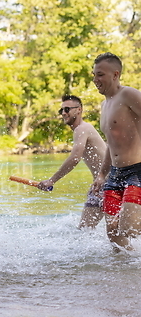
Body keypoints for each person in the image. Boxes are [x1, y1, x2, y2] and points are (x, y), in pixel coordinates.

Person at [91, 52, 141, 251]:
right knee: (115, 239)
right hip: (115, 175)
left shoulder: (128, 95)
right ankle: (125, 278)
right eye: (94, 75)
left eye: (100, 74)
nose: (95, 80)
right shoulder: (104, 105)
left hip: (137, 172)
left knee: (130, 227)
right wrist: (102, 174)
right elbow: (111, 144)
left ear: (115, 74)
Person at [37, 95, 107, 229]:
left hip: (109, 184)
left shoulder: (81, 128)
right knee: (87, 230)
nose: (63, 113)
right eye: (61, 110)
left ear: (79, 110)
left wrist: (52, 181)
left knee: (85, 230)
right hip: (101, 185)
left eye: (67, 109)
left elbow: (75, 158)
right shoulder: (83, 129)